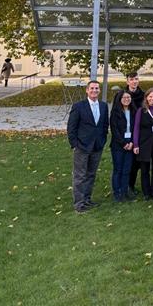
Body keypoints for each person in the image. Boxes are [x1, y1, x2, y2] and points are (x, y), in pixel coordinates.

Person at [67, 80, 109, 213]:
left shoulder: (103, 106)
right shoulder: (79, 106)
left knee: (91, 174)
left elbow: (104, 125)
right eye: (92, 88)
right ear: (87, 90)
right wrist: (74, 144)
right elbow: (71, 127)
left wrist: (102, 140)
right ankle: (79, 204)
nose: (94, 91)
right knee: (80, 176)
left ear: (99, 90)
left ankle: (87, 199)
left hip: (97, 146)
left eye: (97, 88)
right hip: (82, 146)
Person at [109, 90, 135, 202]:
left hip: (131, 143)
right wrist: (124, 143)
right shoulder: (115, 112)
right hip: (118, 144)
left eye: (128, 97)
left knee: (126, 169)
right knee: (118, 169)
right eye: (124, 97)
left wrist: (132, 142)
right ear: (119, 99)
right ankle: (117, 192)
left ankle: (125, 191)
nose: (126, 99)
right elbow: (114, 130)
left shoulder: (134, 111)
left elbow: (136, 129)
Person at [124, 73, 145, 197]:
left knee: (136, 163)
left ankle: (131, 186)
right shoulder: (122, 95)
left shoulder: (143, 96)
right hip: (127, 132)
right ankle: (125, 186)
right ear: (127, 81)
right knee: (127, 162)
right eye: (131, 79)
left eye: (136, 79)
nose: (134, 82)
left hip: (140, 132)